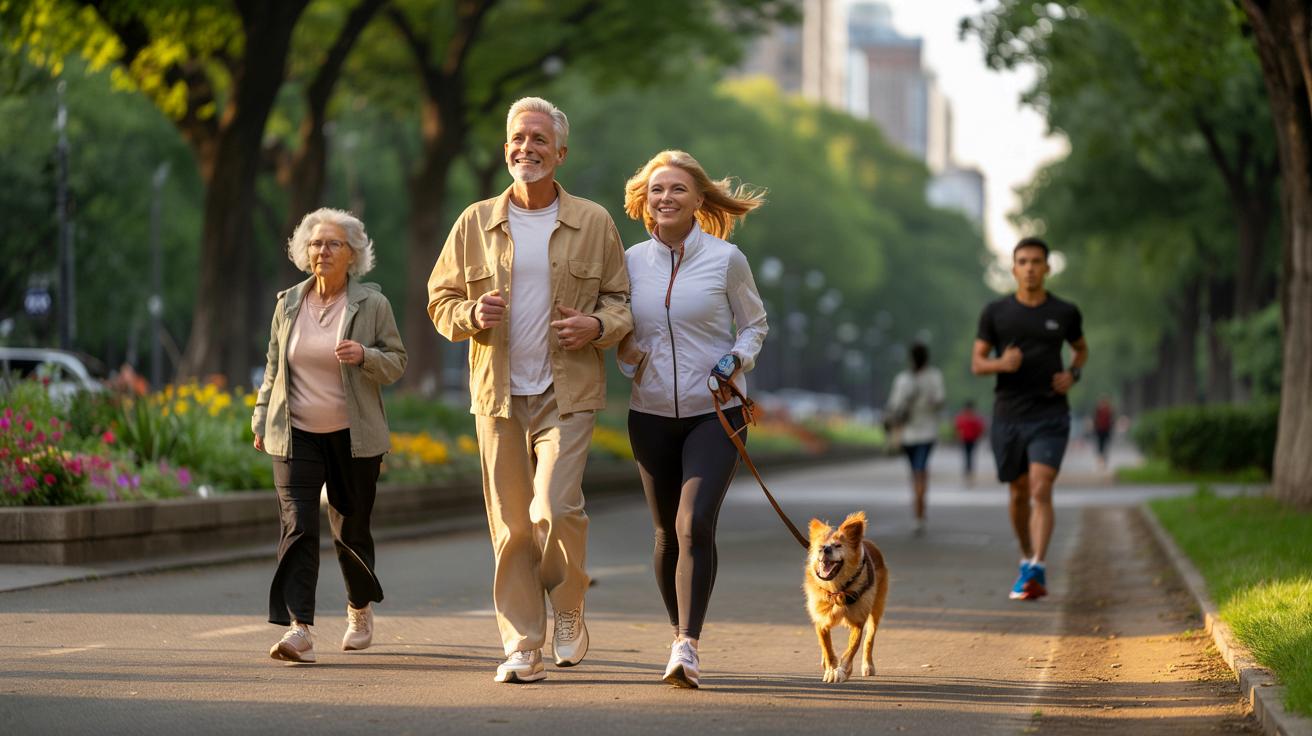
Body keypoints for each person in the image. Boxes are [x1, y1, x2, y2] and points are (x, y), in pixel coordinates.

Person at [427, 97, 632, 684]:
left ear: (560, 153)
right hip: (497, 395)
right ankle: (522, 644)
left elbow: (620, 303)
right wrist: (471, 313)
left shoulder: (593, 222)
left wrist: (596, 326)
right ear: (506, 149)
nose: (527, 148)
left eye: (540, 139)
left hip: (567, 390)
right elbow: (439, 302)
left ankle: (567, 608)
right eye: (519, 138)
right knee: (512, 525)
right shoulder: (474, 223)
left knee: (555, 508)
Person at [617, 150, 768, 688]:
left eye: (677, 189)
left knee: (693, 523)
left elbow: (755, 323)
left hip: (716, 411)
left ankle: (688, 643)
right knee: (665, 534)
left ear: (698, 199)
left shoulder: (727, 259)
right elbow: (620, 331)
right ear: (645, 200)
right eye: (657, 190)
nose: (666, 198)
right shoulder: (629, 260)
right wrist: (630, 356)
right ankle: (676, 632)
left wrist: (735, 358)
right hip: (650, 412)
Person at [252, 208, 407, 663]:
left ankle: (358, 609)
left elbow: (397, 362)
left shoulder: (372, 304)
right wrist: (262, 416)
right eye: (316, 243)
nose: (322, 251)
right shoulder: (288, 303)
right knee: (297, 525)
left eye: (333, 243)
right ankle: (299, 628)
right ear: (305, 251)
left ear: (352, 253)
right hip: (296, 432)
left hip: (352, 436)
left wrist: (364, 355)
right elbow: (272, 368)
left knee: (350, 528)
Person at [972, 236, 1087, 601]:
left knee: (1040, 487)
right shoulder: (995, 313)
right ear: (1014, 268)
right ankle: (1026, 555)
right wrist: (1000, 364)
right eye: (1023, 261)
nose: (1031, 267)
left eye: (1037, 261)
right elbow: (976, 363)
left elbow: (1081, 350)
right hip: (1008, 415)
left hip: (1050, 413)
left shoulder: (1065, 312)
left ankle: (1038, 565)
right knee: (1019, 492)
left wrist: (1073, 374)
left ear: (1048, 268)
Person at [885, 342, 945, 535]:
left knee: (915, 472)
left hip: (908, 435)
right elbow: (940, 400)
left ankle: (918, 509)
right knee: (920, 471)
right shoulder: (934, 376)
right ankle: (920, 511)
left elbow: (894, 405)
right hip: (927, 433)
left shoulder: (903, 379)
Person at [954, 400, 986, 484]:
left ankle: (968, 470)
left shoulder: (965, 416)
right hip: (967, 439)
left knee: (968, 455)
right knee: (969, 455)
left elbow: (958, 427)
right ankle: (968, 470)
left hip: (970, 439)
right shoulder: (973, 416)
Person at [1092, 396, 1114, 470]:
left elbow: (1111, 421)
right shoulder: (1098, 410)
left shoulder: (1109, 410)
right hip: (1099, 430)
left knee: (1105, 446)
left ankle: (1104, 461)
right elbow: (1095, 420)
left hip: (1106, 431)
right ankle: (1100, 461)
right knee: (1100, 446)